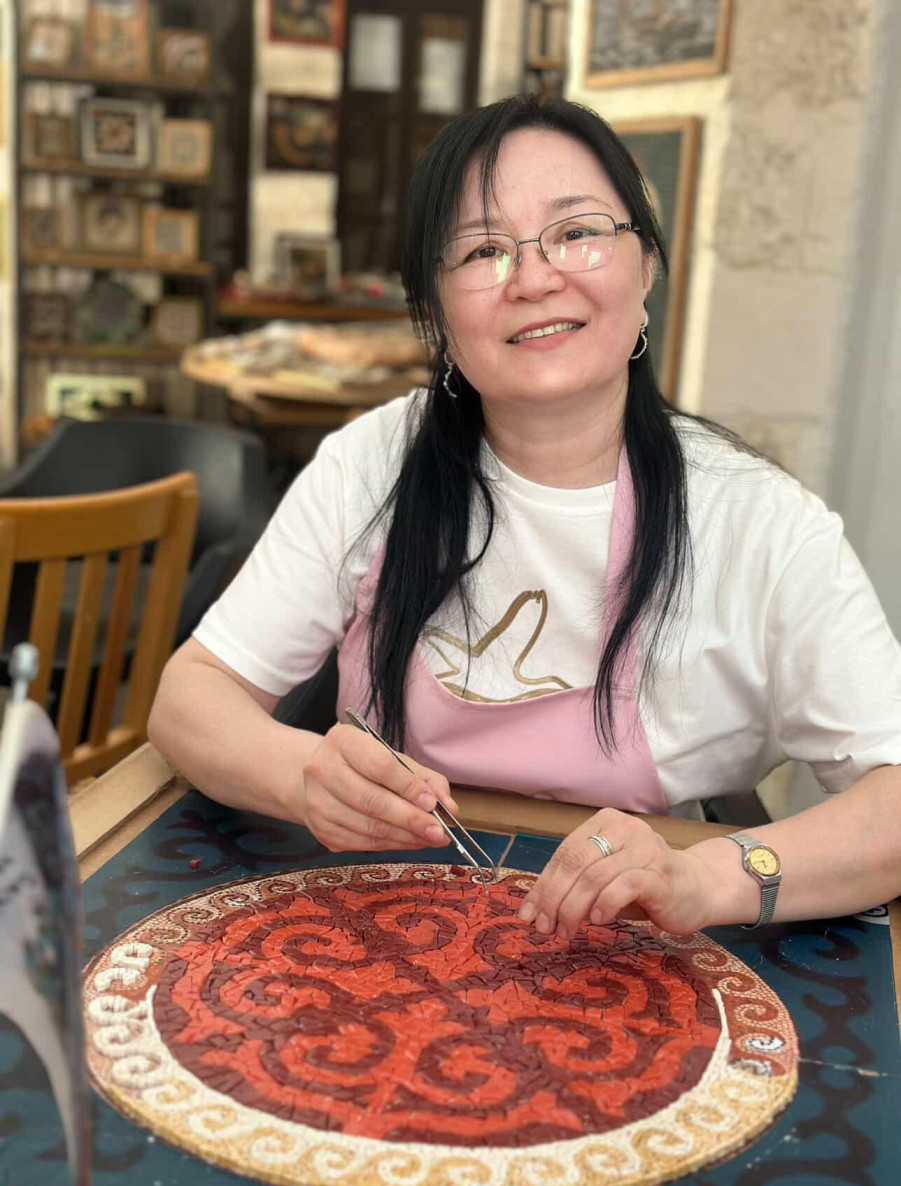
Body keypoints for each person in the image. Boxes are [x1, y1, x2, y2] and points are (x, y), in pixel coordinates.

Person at [149, 95, 901, 942]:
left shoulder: (757, 520)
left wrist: (702, 877)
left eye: (576, 231)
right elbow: (189, 699)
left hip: (641, 947)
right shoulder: (374, 462)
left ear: (646, 268)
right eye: (483, 249)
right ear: (435, 308)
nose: (534, 278)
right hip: (383, 921)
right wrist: (301, 775)